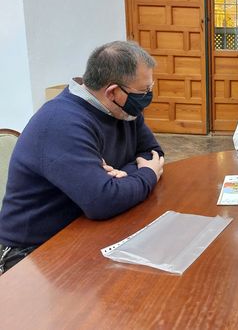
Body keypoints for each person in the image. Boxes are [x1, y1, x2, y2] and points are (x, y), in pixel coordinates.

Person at [0, 41, 164, 273]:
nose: (148, 97)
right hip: (34, 255)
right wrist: (146, 174)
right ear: (113, 92)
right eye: (144, 91)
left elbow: (153, 153)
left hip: (87, 231)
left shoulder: (125, 110)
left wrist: (123, 175)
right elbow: (103, 201)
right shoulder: (61, 122)